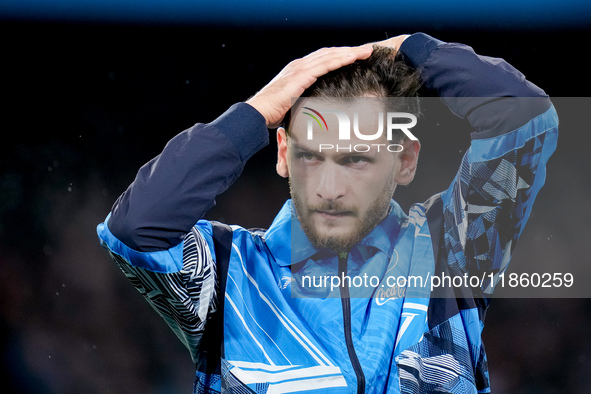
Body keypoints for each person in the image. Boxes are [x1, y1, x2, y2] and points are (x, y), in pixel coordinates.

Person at [97, 33, 558, 393]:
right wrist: (257, 112)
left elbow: (524, 117)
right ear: (282, 153)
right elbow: (136, 228)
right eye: (310, 156)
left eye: (356, 159)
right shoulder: (228, 269)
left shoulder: (451, 248)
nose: (329, 189)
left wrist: (406, 48)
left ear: (405, 160)